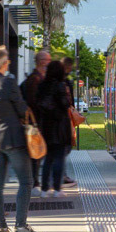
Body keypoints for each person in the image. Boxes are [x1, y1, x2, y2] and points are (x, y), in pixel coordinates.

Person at [0, 46, 44, 232]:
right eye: (8, 61)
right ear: (3, 64)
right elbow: (22, 109)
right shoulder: (8, 82)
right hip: (13, 138)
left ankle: (1, 229)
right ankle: (21, 227)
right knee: (26, 181)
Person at [36, 60, 73, 197]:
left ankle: (45, 189)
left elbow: (39, 104)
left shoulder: (42, 86)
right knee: (59, 158)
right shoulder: (61, 86)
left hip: (46, 126)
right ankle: (57, 188)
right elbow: (65, 105)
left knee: (48, 159)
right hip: (60, 127)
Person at [21, 51, 51, 193]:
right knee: (35, 153)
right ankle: (34, 183)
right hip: (36, 124)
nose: (49, 62)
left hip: (37, 123)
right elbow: (35, 103)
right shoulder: (35, 80)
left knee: (37, 153)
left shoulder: (37, 78)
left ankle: (34, 182)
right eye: (48, 60)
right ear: (42, 61)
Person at [60, 56, 78, 187]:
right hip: (63, 121)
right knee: (63, 149)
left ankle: (61, 176)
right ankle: (60, 177)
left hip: (64, 121)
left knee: (64, 149)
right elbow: (66, 102)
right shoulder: (63, 82)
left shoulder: (65, 81)